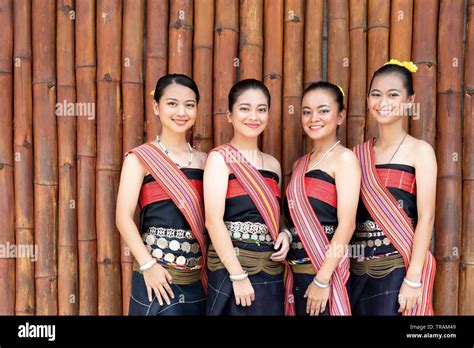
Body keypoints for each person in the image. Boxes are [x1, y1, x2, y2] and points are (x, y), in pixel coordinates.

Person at [116, 74, 208, 315]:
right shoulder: (140, 158)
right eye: (172, 103)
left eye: (189, 105)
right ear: (156, 107)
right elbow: (123, 217)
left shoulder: (206, 162)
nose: (181, 112)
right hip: (156, 279)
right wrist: (148, 266)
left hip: (196, 281)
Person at [350, 60, 437, 315]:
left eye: (393, 94)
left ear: (410, 100)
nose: (383, 101)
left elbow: (427, 217)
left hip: (399, 270)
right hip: (357, 271)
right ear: (368, 100)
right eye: (376, 94)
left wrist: (413, 277)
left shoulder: (420, 151)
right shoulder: (356, 155)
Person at [204, 79, 294, 315]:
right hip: (232, 273)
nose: (254, 116)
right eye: (244, 108)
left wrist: (284, 233)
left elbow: (275, 216)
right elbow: (213, 221)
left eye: (261, 109)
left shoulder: (273, 165)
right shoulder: (219, 159)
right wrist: (237, 275)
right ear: (230, 115)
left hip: (270, 271)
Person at [284, 81, 360, 316]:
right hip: (296, 275)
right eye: (307, 112)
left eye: (323, 111)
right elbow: (294, 219)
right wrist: (286, 234)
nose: (313, 118)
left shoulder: (345, 159)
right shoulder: (299, 164)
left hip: (324, 275)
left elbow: (347, 224)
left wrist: (322, 279)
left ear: (340, 116)